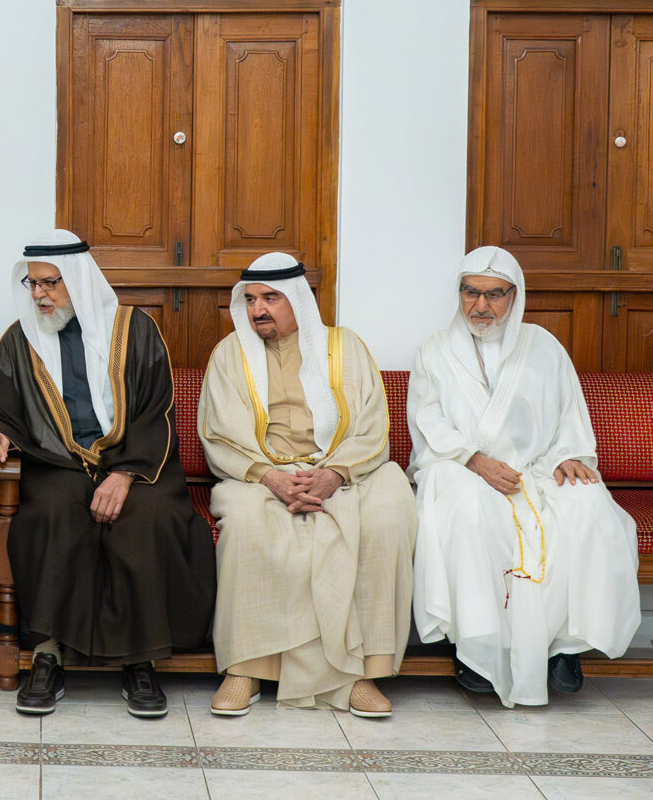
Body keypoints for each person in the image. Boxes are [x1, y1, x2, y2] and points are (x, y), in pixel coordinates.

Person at [0, 230, 215, 717]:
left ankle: (141, 660)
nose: (39, 294)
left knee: (146, 517)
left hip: (135, 462)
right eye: (33, 283)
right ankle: (48, 656)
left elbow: (155, 412)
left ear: (80, 281)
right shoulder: (21, 339)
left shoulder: (136, 330)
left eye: (50, 283)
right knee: (51, 514)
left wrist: (124, 474)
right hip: (58, 461)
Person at [408, 246, 640, 707]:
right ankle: (476, 645)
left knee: (589, 505)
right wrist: (475, 460)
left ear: (515, 296)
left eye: (494, 294)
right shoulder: (434, 349)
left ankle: (565, 644)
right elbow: (428, 421)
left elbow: (569, 413)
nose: (481, 305)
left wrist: (570, 455)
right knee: (466, 507)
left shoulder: (543, 346)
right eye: (471, 292)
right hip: (460, 467)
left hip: (535, 469)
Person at [198, 252, 416, 718]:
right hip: (259, 475)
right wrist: (272, 478)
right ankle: (246, 668)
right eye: (251, 300)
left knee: (387, 511)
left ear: (298, 300)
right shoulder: (230, 354)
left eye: (270, 298)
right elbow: (220, 434)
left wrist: (335, 474)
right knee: (248, 524)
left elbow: (373, 427)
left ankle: (358, 672)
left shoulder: (346, 348)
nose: (258, 309)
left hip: (342, 469)